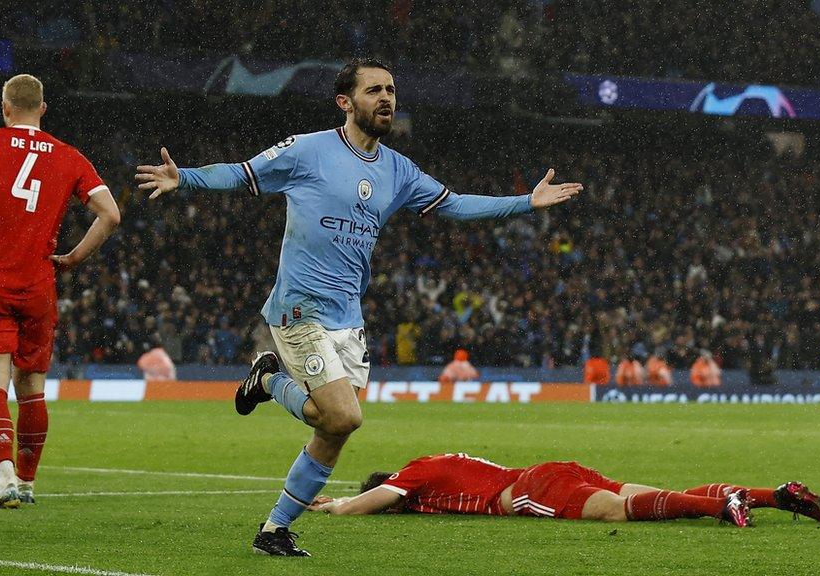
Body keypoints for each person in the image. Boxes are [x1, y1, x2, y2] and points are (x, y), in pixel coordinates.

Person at [135, 58, 582, 556]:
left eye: (391, 89)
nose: (386, 98)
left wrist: (526, 202)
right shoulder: (309, 151)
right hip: (299, 306)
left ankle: (273, 530)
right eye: (374, 90)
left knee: (332, 431)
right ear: (346, 102)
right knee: (344, 416)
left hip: (348, 317)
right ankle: (267, 380)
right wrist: (187, 179)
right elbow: (244, 173)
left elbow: (455, 205)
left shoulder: (398, 170)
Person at [0, 74, 121, 509]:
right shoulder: (69, 157)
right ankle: (29, 482)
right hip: (37, 286)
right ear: (44, 109)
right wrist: (73, 257)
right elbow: (110, 214)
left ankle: (4, 475)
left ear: (5, 107)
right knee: (32, 386)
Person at [309, 453, 820, 526]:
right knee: (652, 493)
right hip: (552, 470)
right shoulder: (448, 461)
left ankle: (721, 507)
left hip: (529, 489)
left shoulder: (416, 472)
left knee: (617, 513)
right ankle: (775, 494)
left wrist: (340, 506)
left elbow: (385, 497)